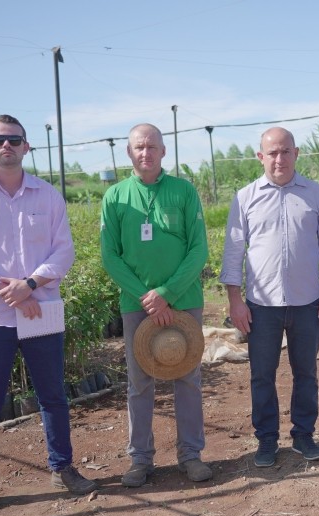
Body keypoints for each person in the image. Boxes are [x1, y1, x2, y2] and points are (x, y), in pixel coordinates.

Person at [0, 114, 97, 516]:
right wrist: (10, 293)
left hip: (41, 310)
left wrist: (29, 286)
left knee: (53, 395)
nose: (7, 145)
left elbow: (62, 252)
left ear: (26, 146)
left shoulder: (48, 197)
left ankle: (62, 468)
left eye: (14, 139)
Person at [220, 127, 319, 467]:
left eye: (285, 151)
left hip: (307, 304)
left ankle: (304, 435)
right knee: (262, 374)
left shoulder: (315, 195)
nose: (279, 158)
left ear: (296, 153)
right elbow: (233, 252)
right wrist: (235, 300)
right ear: (261, 157)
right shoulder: (245, 197)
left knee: (306, 372)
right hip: (261, 306)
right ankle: (267, 440)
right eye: (272, 153)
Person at [101, 123, 212, 484]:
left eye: (151, 146)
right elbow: (111, 256)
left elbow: (198, 250)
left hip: (184, 302)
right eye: (138, 147)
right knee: (140, 383)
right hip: (136, 305)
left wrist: (166, 293)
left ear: (164, 151)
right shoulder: (115, 197)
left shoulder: (183, 191)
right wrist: (147, 298)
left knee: (188, 379)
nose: (144, 153)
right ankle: (140, 460)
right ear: (128, 153)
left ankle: (191, 455)